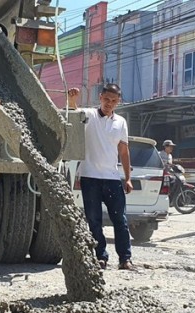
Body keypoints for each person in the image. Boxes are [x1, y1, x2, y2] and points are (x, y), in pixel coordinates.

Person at [67, 84, 133, 270]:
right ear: (101, 97)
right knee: (94, 220)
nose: (109, 104)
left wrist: (127, 178)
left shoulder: (120, 122)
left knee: (120, 220)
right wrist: (72, 98)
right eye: (106, 99)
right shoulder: (89, 115)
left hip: (112, 178)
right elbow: (73, 111)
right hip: (89, 177)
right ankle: (101, 256)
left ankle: (125, 259)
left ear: (118, 102)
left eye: (113, 101)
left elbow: (124, 150)